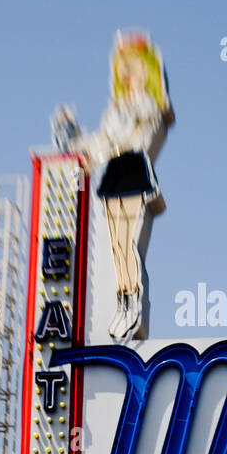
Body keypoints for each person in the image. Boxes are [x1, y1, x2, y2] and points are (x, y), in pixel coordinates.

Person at [52, 31, 174, 342]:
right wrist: (74, 137)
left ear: (147, 70)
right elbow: (101, 142)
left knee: (128, 243)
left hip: (133, 169)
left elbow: (128, 139)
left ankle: (131, 301)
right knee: (116, 246)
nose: (128, 73)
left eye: (134, 66)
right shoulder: (115, 108)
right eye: (123, 67)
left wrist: (106, 147)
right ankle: (122, 303)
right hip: (114, 174)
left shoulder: (148, 105)